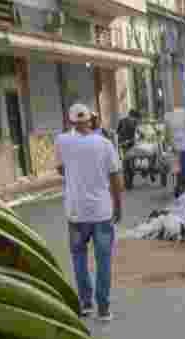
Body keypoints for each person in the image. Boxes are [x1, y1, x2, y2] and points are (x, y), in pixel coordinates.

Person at [55, 103, 124, 322]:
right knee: (103, 260)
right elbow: (115, 177)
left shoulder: (62, 141)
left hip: (76, 213)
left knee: (79, 258)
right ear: (90, 120)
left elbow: (60, 169)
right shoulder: (105, 144)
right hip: (102, 213)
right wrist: (118, 206)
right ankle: (103, 309)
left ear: (70, 121)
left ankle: (85, 304)